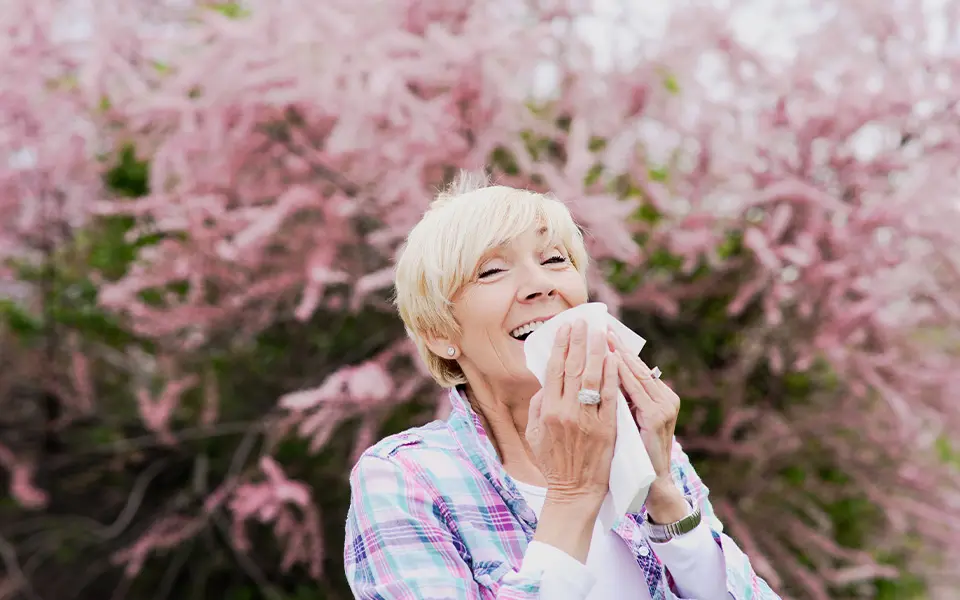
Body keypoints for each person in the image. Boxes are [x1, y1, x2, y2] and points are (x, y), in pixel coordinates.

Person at [344, 172, 780, 599]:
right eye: (492, 271)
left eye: (555, 260)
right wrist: (573, 496)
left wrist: (663, 494)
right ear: (441, 333)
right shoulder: (405, 478)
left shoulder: (642, 447)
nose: (540, 285)